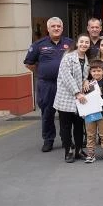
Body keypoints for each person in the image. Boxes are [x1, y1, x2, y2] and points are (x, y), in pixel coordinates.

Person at [24, 17, 74, 152]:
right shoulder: (38, 44)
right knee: (47, 112)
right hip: (47, 85)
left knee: (66, 113)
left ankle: (66, 139)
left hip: (65, 85)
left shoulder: (70, 44)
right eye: (53, 26)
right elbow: (29, 63)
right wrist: (42, 72)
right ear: (48, 29)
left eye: (59, 26)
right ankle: (48, 140)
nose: (56, 28)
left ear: (62, 28)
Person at [53, 34, 90, 162]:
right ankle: (68, 151)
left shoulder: (86, 59)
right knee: (66, 127)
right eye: (82, 42)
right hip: (66, 97)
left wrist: (86, 81)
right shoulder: (68, 57)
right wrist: (77, 93)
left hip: (80, 99)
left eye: (87, 42)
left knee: (79, 126)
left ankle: (79, 150)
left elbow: (84, 76)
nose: (84, 44)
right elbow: (67, 77)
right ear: (77, 43)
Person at [84, 60, 103, 163]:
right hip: (90, 113)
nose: (96, 73)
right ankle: (91, 154)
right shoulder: (87, 84)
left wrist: (101, 98)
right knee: (90, 134)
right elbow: (83, 98)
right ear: (90, 72)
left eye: (99, 70)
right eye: (94, 71)